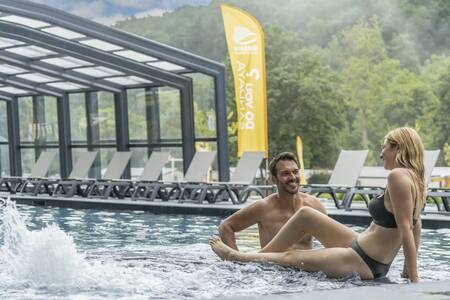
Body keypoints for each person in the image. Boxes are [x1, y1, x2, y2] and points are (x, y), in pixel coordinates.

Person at [211, 127, 424, 282]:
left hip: (364, 260)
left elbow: (407, 228)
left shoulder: (397, 176)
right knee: (306, 214)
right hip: (362, 245)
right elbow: (417, 226)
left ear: (398, 148)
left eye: (385, 148)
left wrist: (413, 280)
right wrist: (406, 270)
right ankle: (255, 258)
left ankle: (236, 257)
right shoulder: (415, 178)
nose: (380, 154)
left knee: (292, 257)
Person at [219, 152, 326, 251]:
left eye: (295, 172)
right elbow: (226, 226)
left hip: (305, 269)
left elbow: (333, 243)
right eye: (286, 173)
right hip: (272, 269)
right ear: (274, 179)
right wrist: (236, 261)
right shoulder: (263, 208)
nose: (293, 177)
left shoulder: (314, 206)